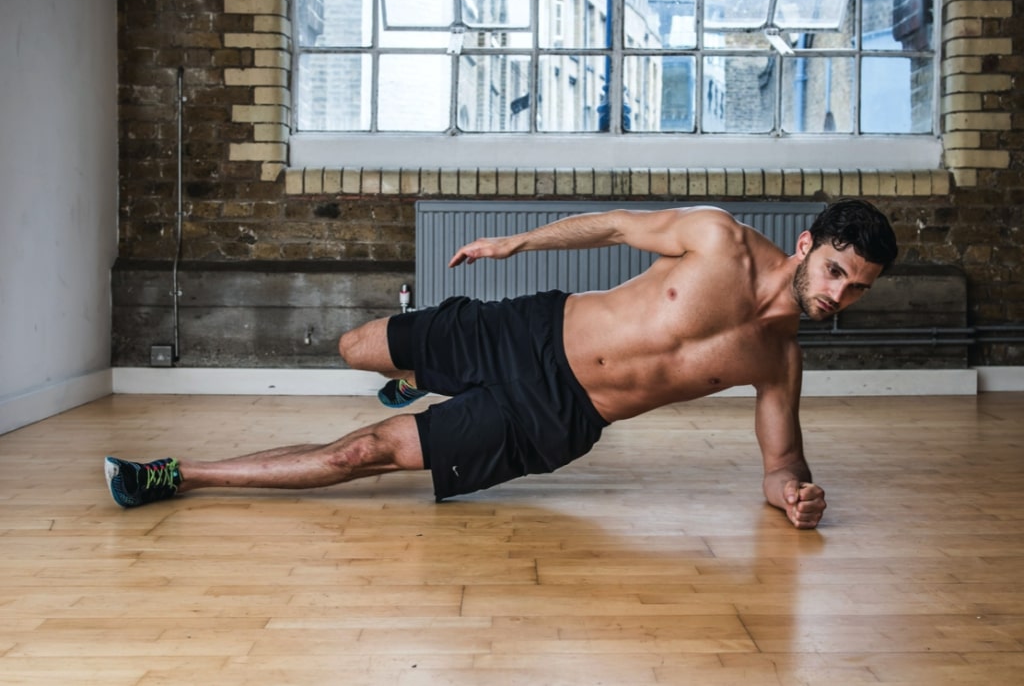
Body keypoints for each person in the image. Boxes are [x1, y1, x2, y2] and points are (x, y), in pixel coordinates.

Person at [105, 198, 898, 529]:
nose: (838, 295)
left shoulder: (779, 362)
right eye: (836, 270)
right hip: (528, 329)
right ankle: (409, 373)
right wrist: (516, 241)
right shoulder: (718, 238)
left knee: (367, 451)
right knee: (356, 346)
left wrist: (794, 496)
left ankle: (178, 475)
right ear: (806, 244)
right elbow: (620, 225)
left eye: (855, 290)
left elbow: (779, 465)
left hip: (551, 418)